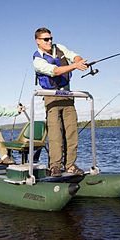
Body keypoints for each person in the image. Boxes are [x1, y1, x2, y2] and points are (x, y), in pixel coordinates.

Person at [32, 27, 88, 176]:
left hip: (68, 96)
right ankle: (55, 166)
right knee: (55, 133)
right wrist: (75, 66)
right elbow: (55, 71)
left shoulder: (60, 48)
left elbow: (73, 55)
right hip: (51, 98)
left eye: (50, 38)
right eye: (46, 39)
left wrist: (79, 61)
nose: (49, 41)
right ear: (38, 41)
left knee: (72, 132)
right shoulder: (37, 60)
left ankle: (70, 165)